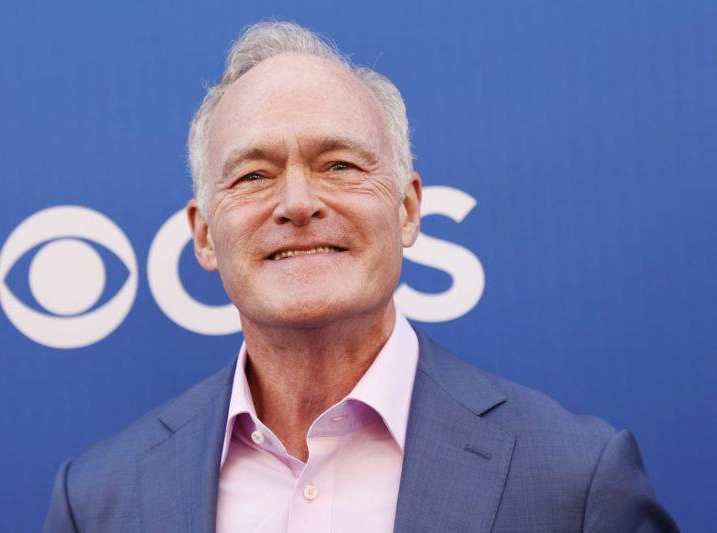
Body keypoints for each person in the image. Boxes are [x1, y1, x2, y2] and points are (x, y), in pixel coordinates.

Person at [43, 21, 678, 532]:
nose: (297, 203)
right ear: (205, 235)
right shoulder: (97, 500)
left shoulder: (576, 481)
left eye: (340, 165)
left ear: (407, 210)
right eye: (254, 175)